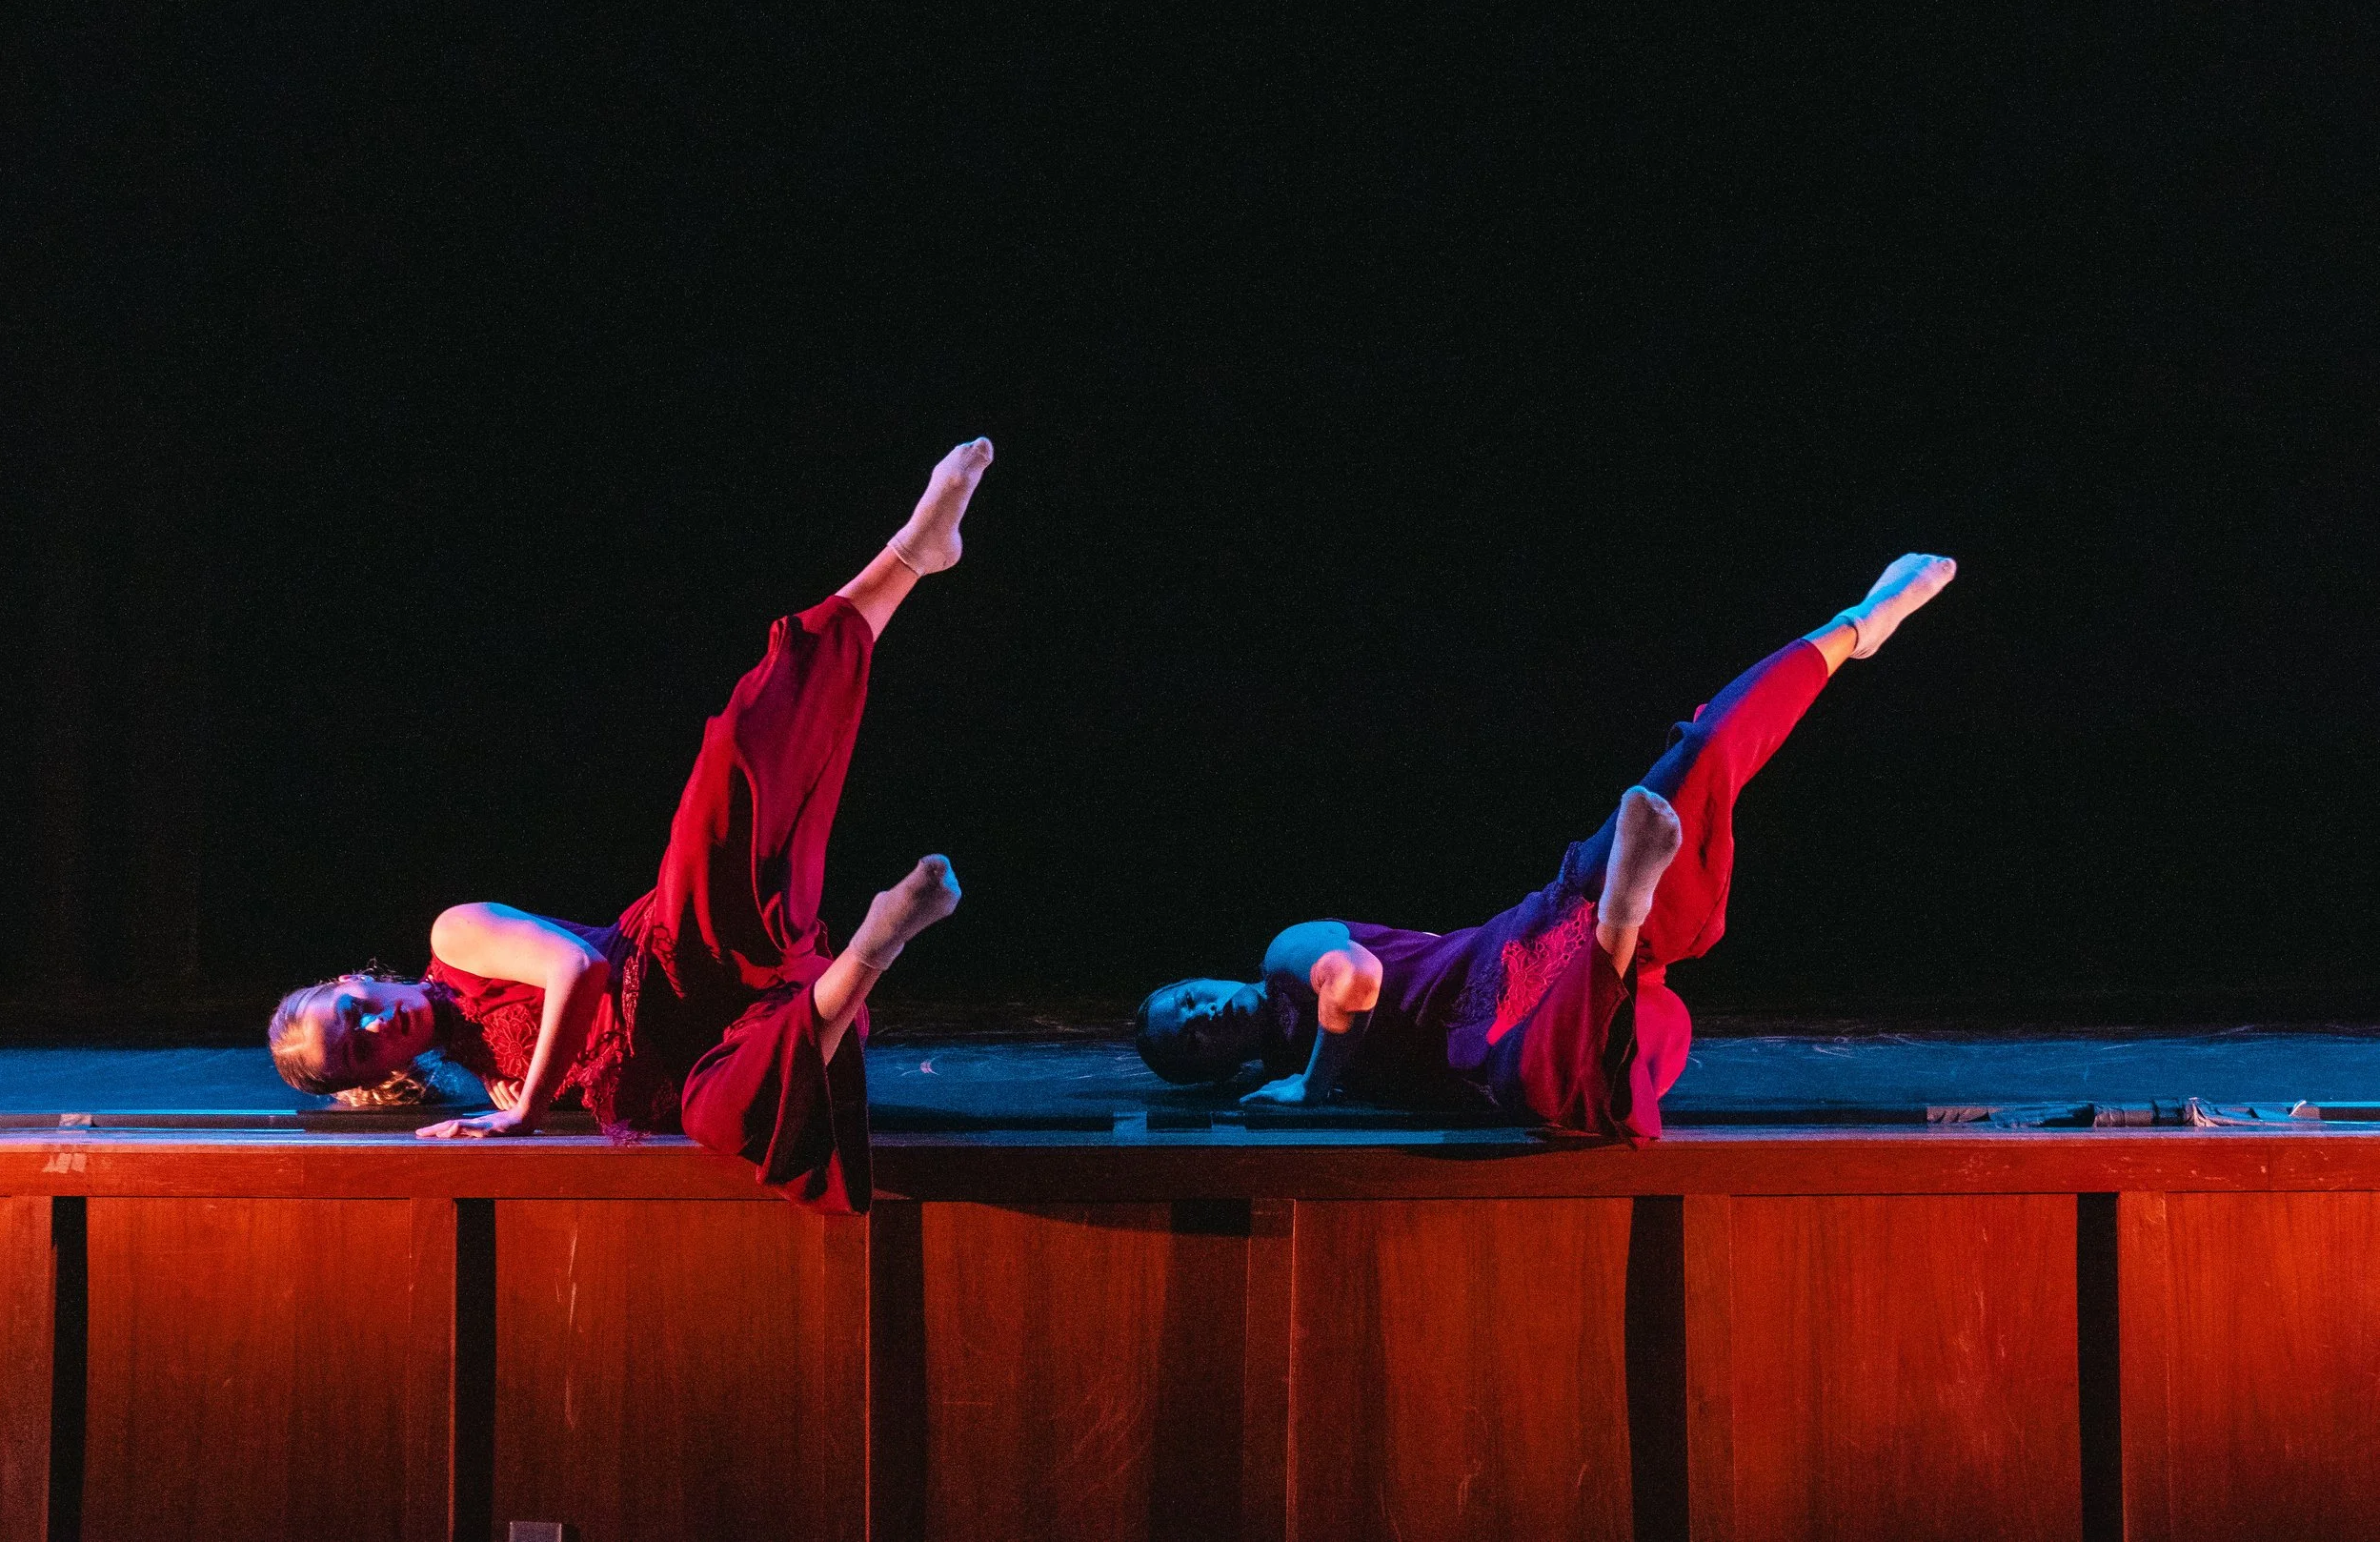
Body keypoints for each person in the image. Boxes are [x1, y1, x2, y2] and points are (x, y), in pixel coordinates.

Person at [266, 437, 996, 1210]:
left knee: (741, 752)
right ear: (378, 1078)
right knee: (719, 1119)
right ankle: (874, 946)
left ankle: (910, 554)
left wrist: (527, 1108)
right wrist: (520, 1092)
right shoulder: (486, 1072)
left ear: (353, 980)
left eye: (354, 1011)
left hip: (678, 956)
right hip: (718, 1045)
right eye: (361, 1050)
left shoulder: (455, 938)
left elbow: (580, 969)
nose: (377, 1024)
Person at [1133, 554, 1958, 1141]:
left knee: (1699, 757)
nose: (1204, 1015)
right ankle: (1622, 924)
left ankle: (1858, 626)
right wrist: (1298, 1082)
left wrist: (1312, 1088)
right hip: (1557, 1036)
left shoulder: (1286, 957)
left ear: (1203, 976)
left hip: (1520, 959)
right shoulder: (1277, 1067)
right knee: (1546, 1089)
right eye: (1193, 1039)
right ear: (1213, 1070)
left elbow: (1357, 979)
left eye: (1189, 1000)